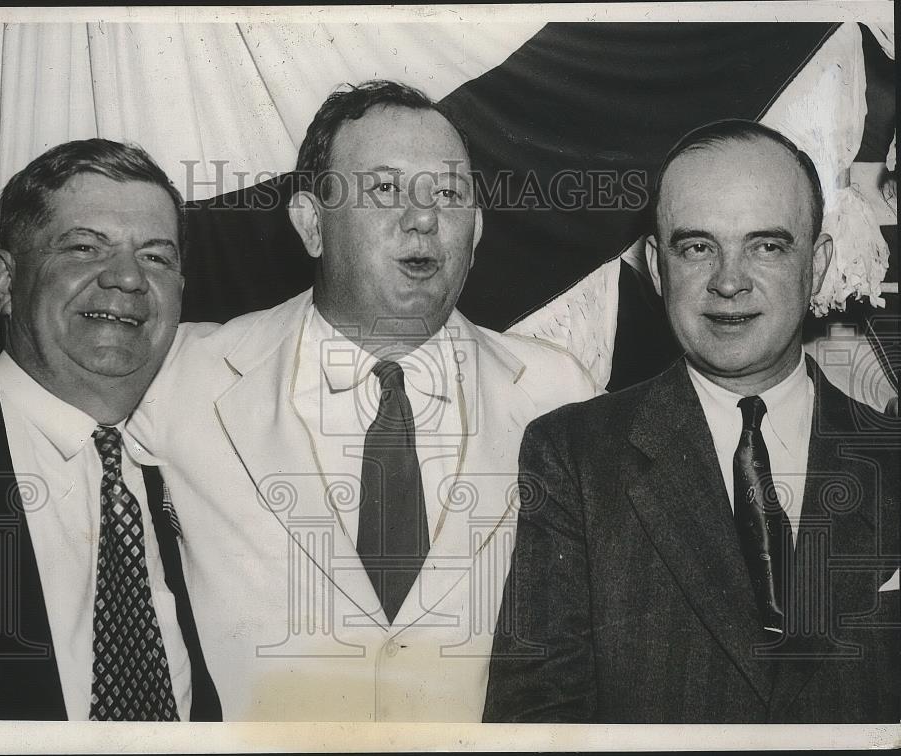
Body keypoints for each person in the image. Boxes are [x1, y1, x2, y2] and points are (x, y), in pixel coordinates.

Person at [127, 79, 598, 721]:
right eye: (385, 189)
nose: (424, 217)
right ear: (312, 224)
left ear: (477, 229)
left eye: (450, 193)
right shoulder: (185, 379)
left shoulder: (560, 393)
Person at [483, 119, 900, 723]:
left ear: (817, 263)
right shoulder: (573, 456)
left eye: (767, 245)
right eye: (698, 247)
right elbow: (539, 721)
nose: (729, 282)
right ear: (657, 267)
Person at [0, 139, 221, 721]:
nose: (127, 279)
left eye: (157, 257)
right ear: (6, 283)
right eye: (85, 247)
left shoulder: (215, 448)